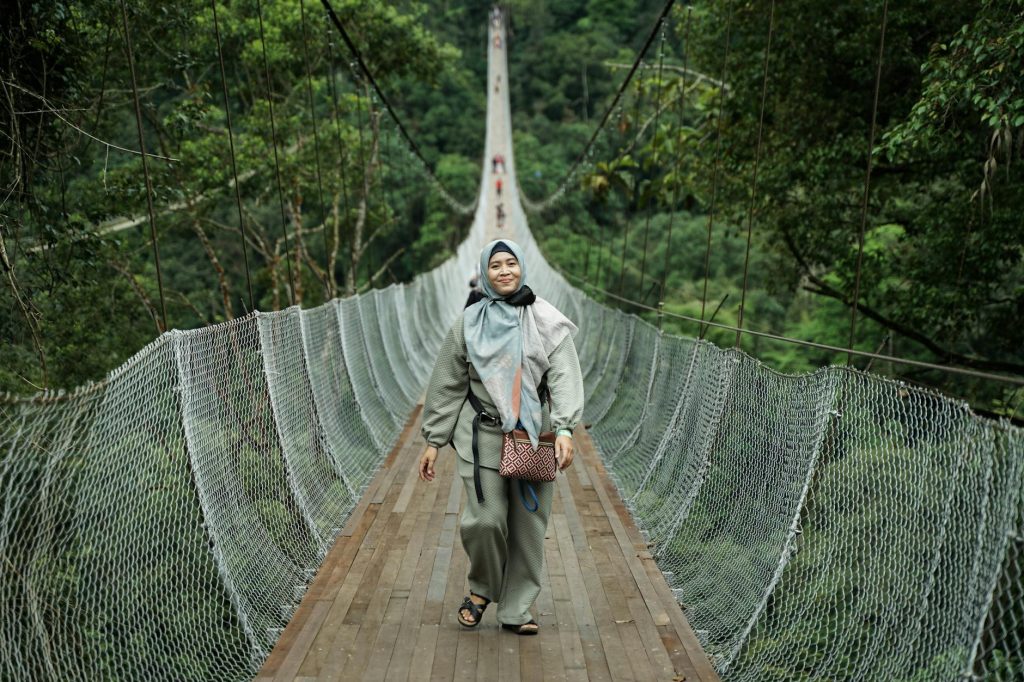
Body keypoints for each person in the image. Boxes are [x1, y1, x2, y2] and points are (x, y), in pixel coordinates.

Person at [418, 239, 584, 635]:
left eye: (512, 263)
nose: (505, 271)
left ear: (522, 268)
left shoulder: (547, 319)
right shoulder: (468, 322)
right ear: (485, 273)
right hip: (483, 434)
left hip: (532, 436)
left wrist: (563, 427)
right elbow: (448, 384)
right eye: (496, 265)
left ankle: (516, 610)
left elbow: (563, 375)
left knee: (528, 528)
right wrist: (433, 441)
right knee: (486, 521)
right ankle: (481, 590)